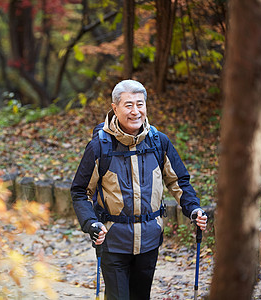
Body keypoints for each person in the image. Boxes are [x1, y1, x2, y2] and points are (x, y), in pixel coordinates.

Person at [70, 79, 207, 300]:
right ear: (115, 108)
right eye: (129, 105)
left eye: (140, 104)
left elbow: (179, 181)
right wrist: (91, 223)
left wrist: (193, 209)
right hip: (113, 240)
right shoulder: (100, 146)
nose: (136, 111)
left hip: (149, 241)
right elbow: (80, 191)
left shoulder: (158, 142)